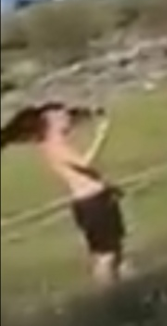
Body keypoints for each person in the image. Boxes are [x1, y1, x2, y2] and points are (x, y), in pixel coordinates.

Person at [33, 103, 127, 287]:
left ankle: (119, 288)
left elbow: (85, 174)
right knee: (105, 254)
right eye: (61, 117)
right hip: (92, 203)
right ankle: (106, 293)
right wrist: (101, 134)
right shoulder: (55, 146)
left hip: (98, 199)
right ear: (50, 124)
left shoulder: (54, 144)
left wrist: (108, 187)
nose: (66, 119)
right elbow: (84, 164)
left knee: (115, 249)